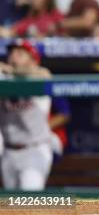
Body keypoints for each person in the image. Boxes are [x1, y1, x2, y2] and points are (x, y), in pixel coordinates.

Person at [0, 39, 54, 190]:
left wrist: (11, 70)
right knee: (11, 206)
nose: (13, 57)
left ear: (32, 60)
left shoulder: (37, 75)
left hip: (34, 149)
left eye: (19, 53)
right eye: (11, 53)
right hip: (8, 151)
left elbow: (45, 75)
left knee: (29, 200)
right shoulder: (4, 76)